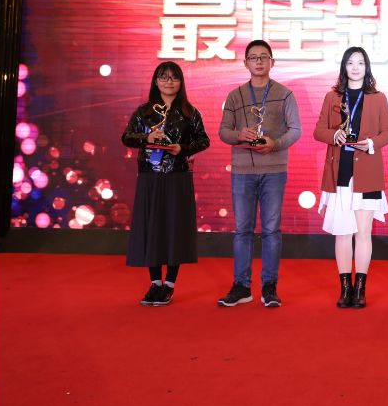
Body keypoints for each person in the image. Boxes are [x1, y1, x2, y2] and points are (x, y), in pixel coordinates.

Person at [217, 40, 302, 308]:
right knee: (242, 230)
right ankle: (242, 286)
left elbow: (296, 130)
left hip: (274, 171)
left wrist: (274, 144)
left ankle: (269, 286)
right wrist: (239, 135)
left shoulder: (285, 94)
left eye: (264, 57)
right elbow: (223, 132)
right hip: (242, 171)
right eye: (253, 57)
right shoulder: (235, 96)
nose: (259, 61)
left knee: (271, 230)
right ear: (245, 63)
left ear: (272, 62)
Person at [121, 61, 210, 306]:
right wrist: (147, 137)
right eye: (163, 77)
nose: (169, 82)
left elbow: (204, 141)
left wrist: (182, 148)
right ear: (155, 81)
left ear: (181, 82)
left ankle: (169, 284)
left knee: (174, 228)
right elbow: (126, 137)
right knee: (152, 227)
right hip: (149, 176)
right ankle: (155, 283)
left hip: (178, 176)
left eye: (174, 77)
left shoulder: (190, 112)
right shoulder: (144, 112)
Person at [313, 47, 388, 308]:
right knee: (342, 233)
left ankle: (360, 288)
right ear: (344, 67)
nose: (356, 67)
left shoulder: (378, 98)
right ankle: (345, 287)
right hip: (340, 173)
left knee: (363, 233)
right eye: (350, 63)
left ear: (367, 67)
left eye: (360, 63)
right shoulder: (332, 97)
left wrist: (370, 143)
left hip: (367, 173)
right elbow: (318, 130)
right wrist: (333, 135)